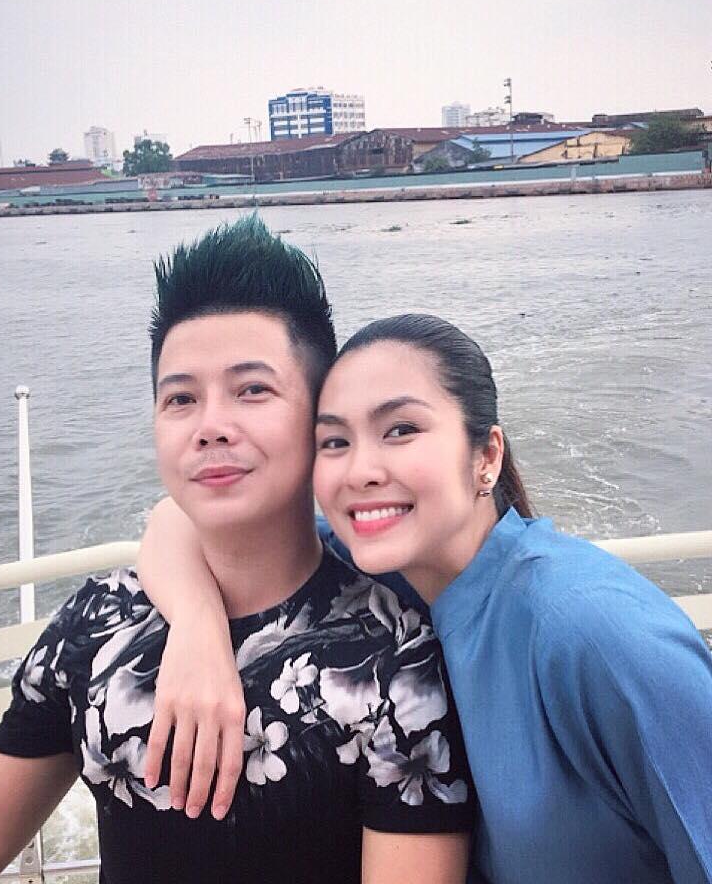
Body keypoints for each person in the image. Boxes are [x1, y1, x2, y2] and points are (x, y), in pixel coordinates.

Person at [0, 218, 473, 884]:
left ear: (319, 419)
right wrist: (195, 622)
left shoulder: (393, 656)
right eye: (181, 398)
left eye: (252, 389)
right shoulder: (98, 621)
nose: (211, 427)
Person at [139, 313, 712, 884]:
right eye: (335, 441)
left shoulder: (595, 634)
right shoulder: (379, 564)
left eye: (401, 430)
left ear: (486, 457)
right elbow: (172, 521)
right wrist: (197, 627)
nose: (361, 471)